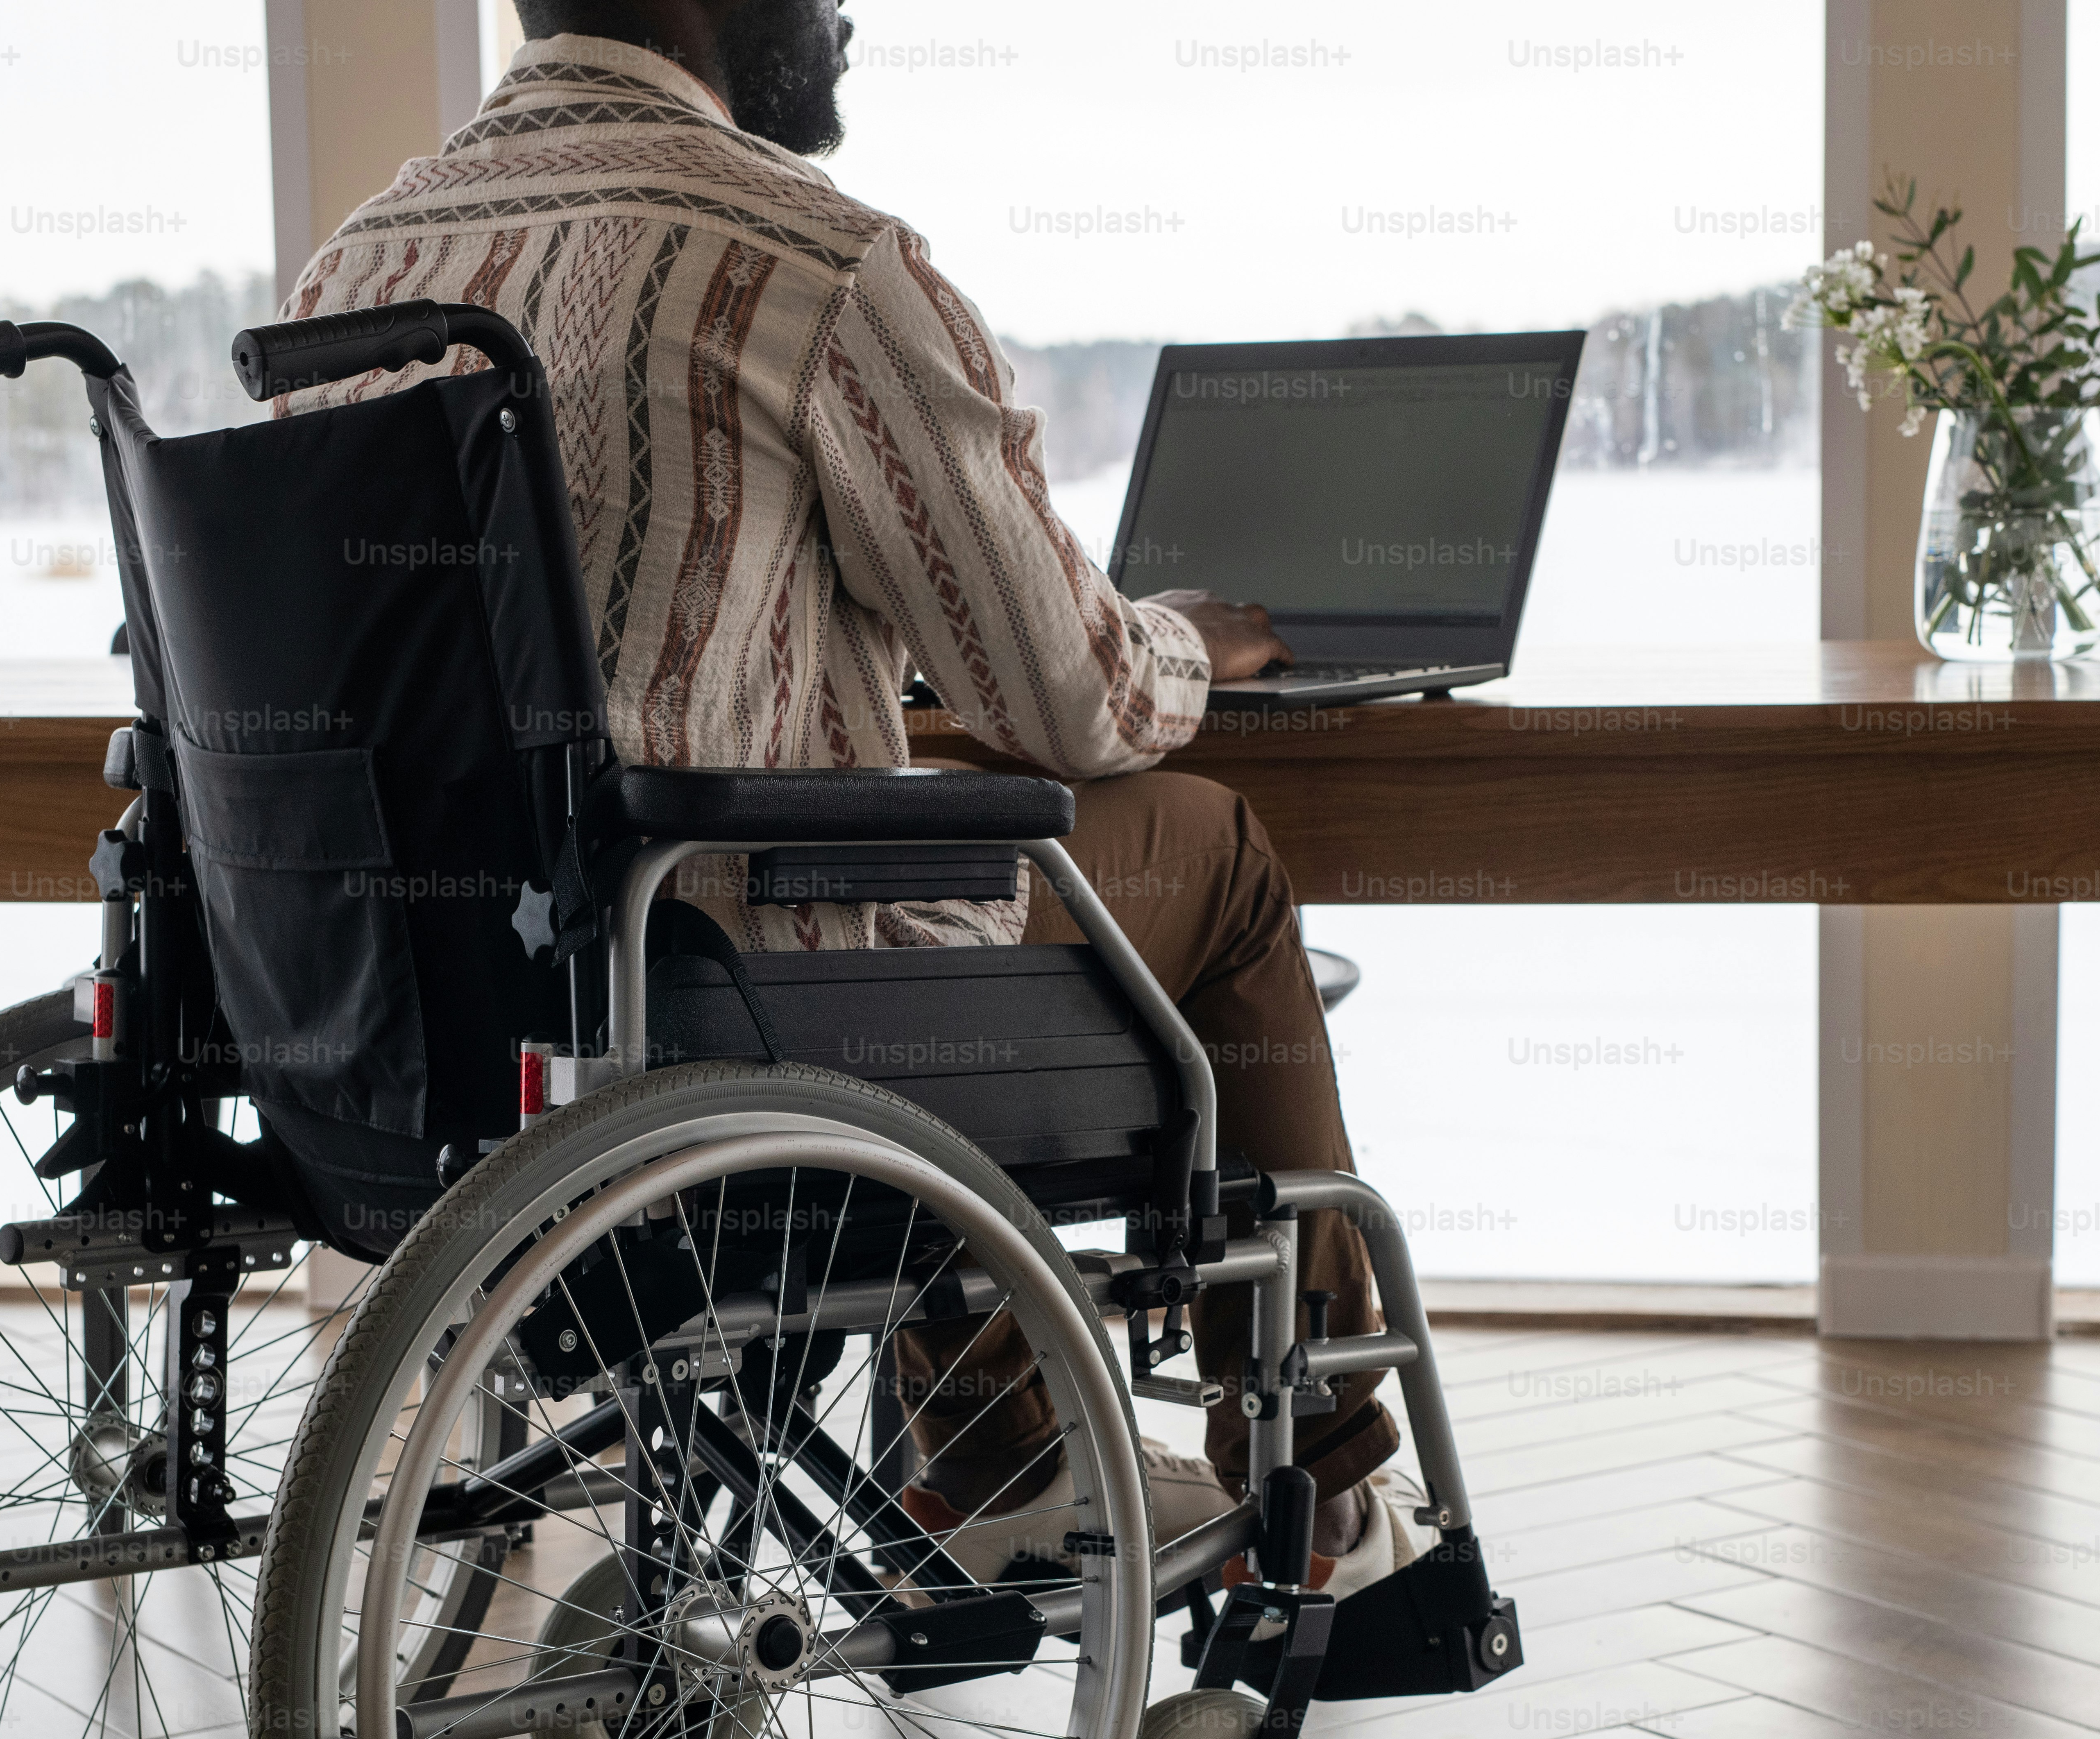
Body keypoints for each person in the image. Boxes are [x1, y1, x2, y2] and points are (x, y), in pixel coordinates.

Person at [278, 0, 1420, 1589]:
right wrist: (1182, 639)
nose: (841, 16)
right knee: (1210, 852)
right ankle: (1309, 1466)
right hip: (724, 1004)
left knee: (925, 815)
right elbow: (1070, 694)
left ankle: (1001, 1431)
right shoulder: (808, 262)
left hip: (419, 1016)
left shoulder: (357, 272)